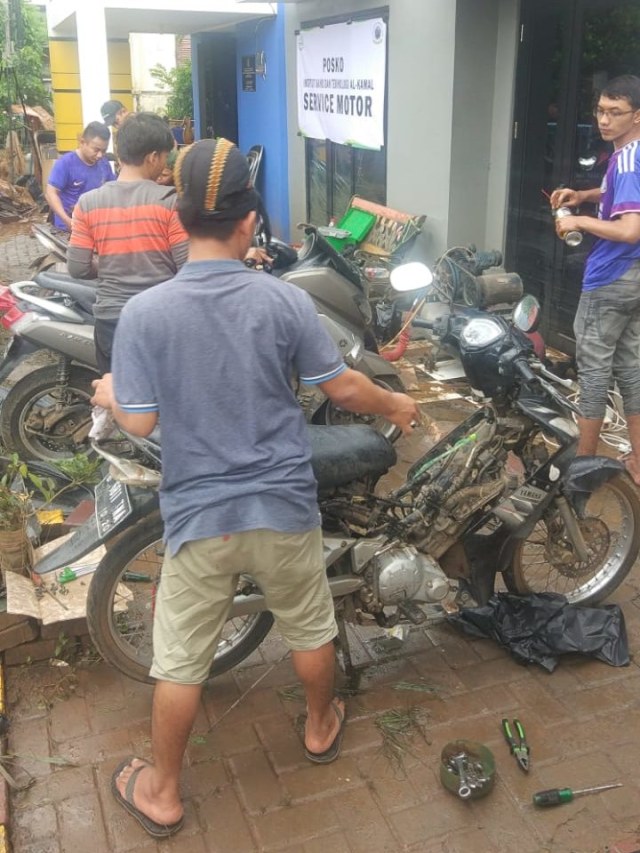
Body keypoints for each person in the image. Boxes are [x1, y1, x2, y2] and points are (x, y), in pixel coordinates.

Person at [90, 137, 421, 839]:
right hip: (283, 505)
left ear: (180, 219)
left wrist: (113, 391)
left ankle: (163, 792)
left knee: (179, 659)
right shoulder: (284, 301)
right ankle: (320, 721)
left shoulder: (146, 314)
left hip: (200, 515)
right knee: (309, 624)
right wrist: (397, 406)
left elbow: (142, 417)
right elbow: (344, 387)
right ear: (249, 223)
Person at [551, 74, 640, 483]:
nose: (604, 120)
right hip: (635, 279)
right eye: (600, 110)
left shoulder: (627, 159)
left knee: (594, 371)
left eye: (615, 112)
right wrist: (584, 196)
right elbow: (619, 195)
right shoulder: (630, 154)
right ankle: (637, 461)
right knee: (631, 369)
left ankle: (583, 467)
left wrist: (578, 220)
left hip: (610, 278)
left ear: (636, 116)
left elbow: (629, 229)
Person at [67, 112, 188, 375]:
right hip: (160, 320)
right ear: (153, 157)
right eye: (166, 156)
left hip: (111, 322)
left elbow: (77, 268)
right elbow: (187, 267)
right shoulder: (171, 203)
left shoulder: (88, 204)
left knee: (122, 404)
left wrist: (112, 263)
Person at [45, 122, 115, 231]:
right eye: (96, 150)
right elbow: (51, 193)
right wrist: (67, 221)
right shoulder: (66, 163)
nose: (100, 155)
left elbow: (113, 187)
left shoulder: (104, 163)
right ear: (82, 142)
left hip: (95, 226)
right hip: (68, 228)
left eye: (104, 151)